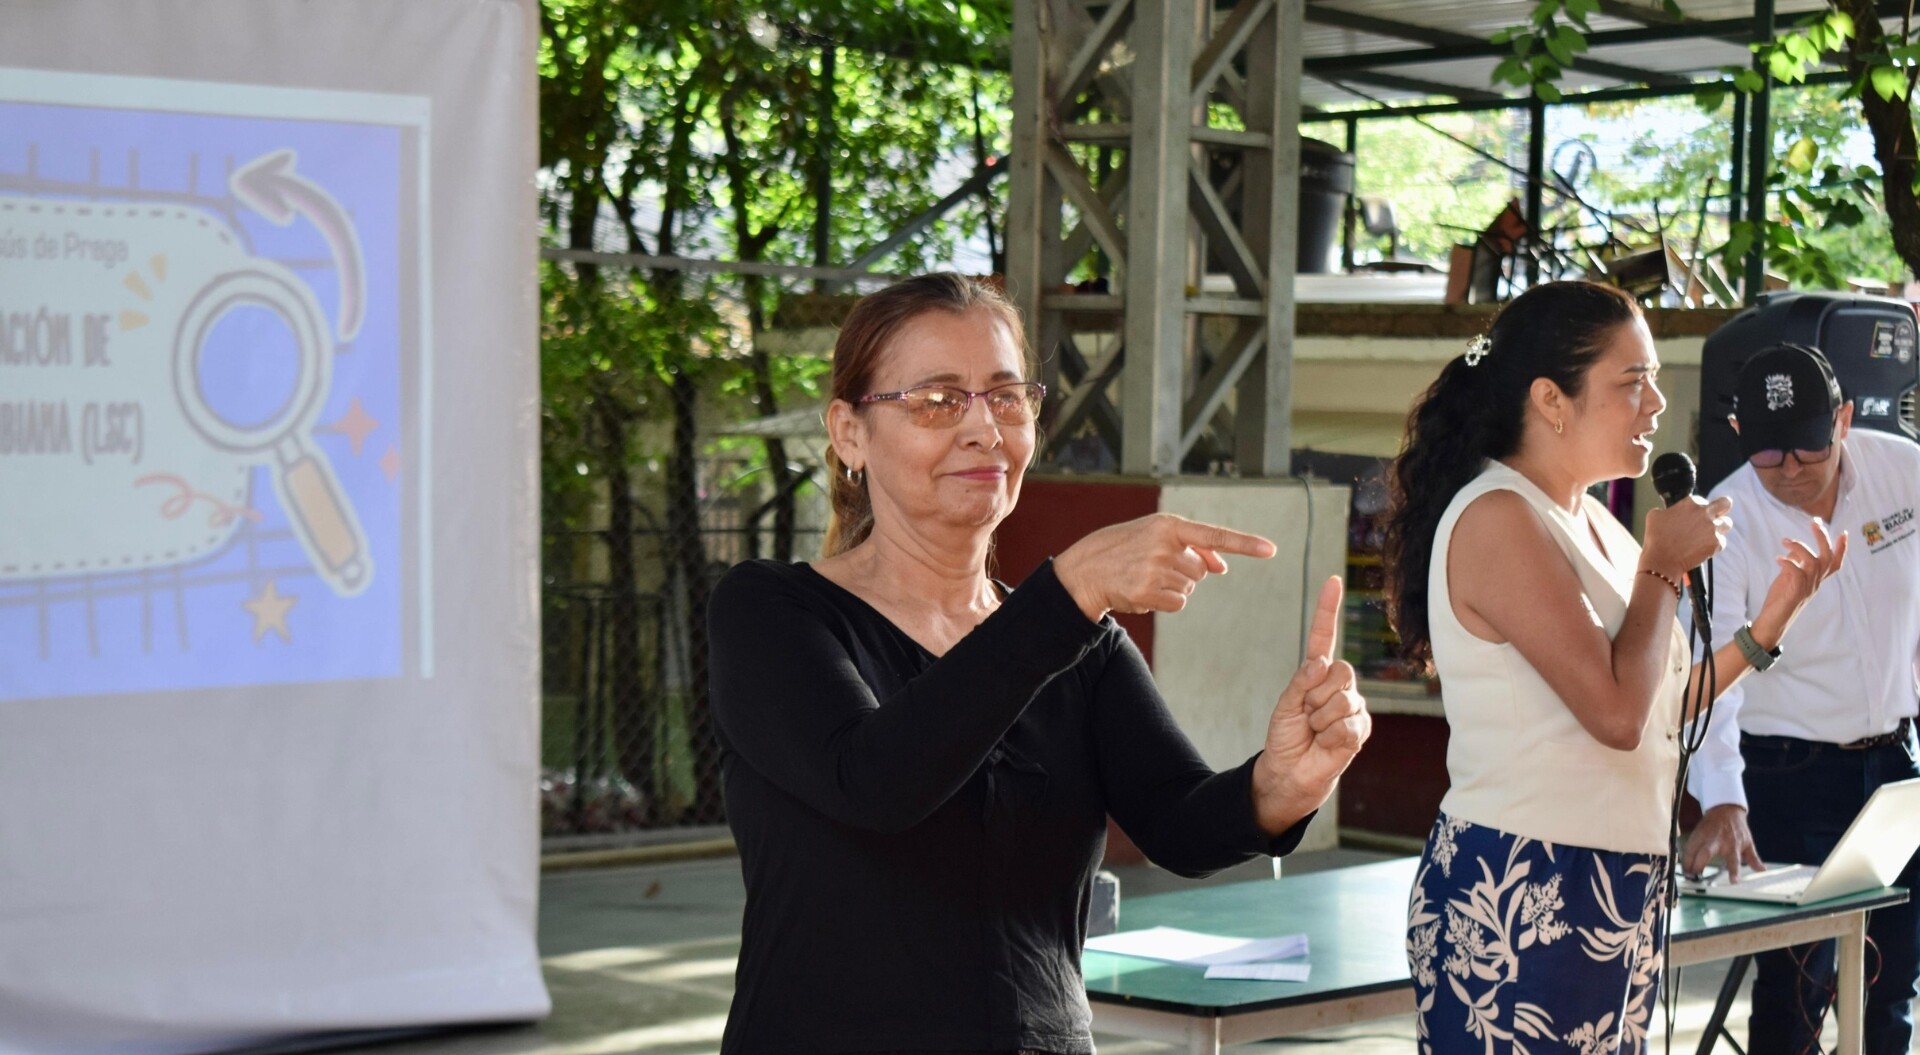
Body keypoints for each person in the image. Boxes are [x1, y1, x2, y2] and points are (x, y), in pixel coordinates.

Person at [706, 273, 1371, 1055]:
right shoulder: (770, 612)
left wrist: (1278, 787)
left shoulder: (1076, 643)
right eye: (937, 400)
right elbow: (876, 781)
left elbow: (1179, 822)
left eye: (1007, 396)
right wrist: (1070, 589)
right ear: (850, 432)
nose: (984, 428)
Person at [1385, 282, 1840, 1053]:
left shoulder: (1594, 518)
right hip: (1523, 888)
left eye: (1656, 378)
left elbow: (1661, 707)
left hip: (1616, 885)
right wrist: (1662, 566)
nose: (1658, 403)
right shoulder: (1498, 516)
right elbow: (1617, 715)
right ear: (1551, 400)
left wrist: (1770, 623)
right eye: (1633, 382)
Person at [1681, 342, 1919, 1055]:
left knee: (1892, 981)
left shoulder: (1904, 470)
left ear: (1843, 419)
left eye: (1809, 451)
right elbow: (1708, 678)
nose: (1789, 472)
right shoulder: (1725, 521)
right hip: (1786, 773)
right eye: (1768, 454)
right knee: (1793, 992)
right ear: (1737, 436)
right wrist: (1722, 798)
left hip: (1894, 768)